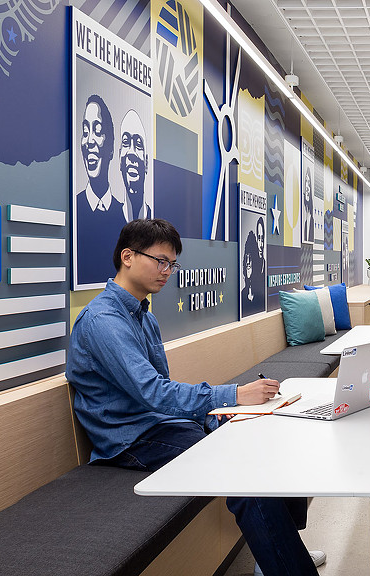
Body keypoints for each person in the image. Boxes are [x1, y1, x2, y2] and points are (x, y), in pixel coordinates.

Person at [67, 219, 324, 575]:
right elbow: (153, 392)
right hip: (131, 441)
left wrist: (216, 411)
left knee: (269, 436)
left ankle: (281, 554)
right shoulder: (102, 320)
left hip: (160, 425)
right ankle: (286, 565)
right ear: (127, 256)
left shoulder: (144, 317)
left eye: (172, 264)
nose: (167, 271)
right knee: (242, 471)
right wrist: (233, 394)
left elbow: (160, 390)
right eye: (160, 261)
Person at [76, 94, 126, 286]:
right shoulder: (76, 210)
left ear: (111, 147)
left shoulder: (123, 217)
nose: (89, 141)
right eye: (85, 131)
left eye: (97, 130)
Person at [119, 109, 151, 221]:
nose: (131, 152)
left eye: (138, 144)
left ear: (146, 163)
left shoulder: (155, 222)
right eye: (126, 142)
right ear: (119, 158)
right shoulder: (108, 216)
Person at [241, 216, 266, 317]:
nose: (261, 245)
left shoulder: (261, 290)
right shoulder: (243, 294)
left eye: (262, 238)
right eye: (258, 239)